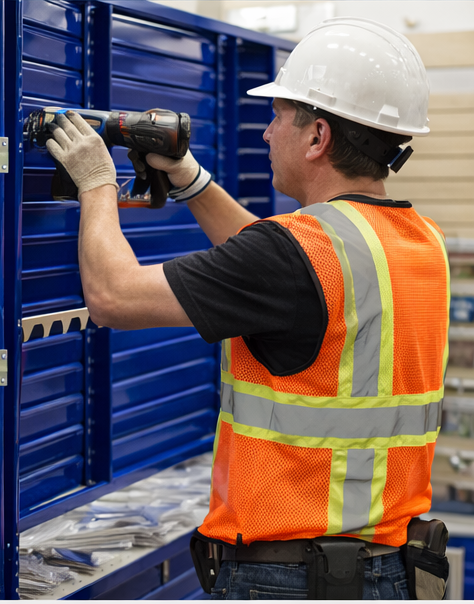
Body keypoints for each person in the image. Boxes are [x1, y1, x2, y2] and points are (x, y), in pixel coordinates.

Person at [45, 18, 448, 600]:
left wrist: (96, 182)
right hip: (386, 570)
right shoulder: (418, 241)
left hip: (289, 576)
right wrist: (189, 180)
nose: (264, 133)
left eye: (278, 116)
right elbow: (285, 273)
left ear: (318, 138)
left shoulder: (297, 253)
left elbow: (114, 296)